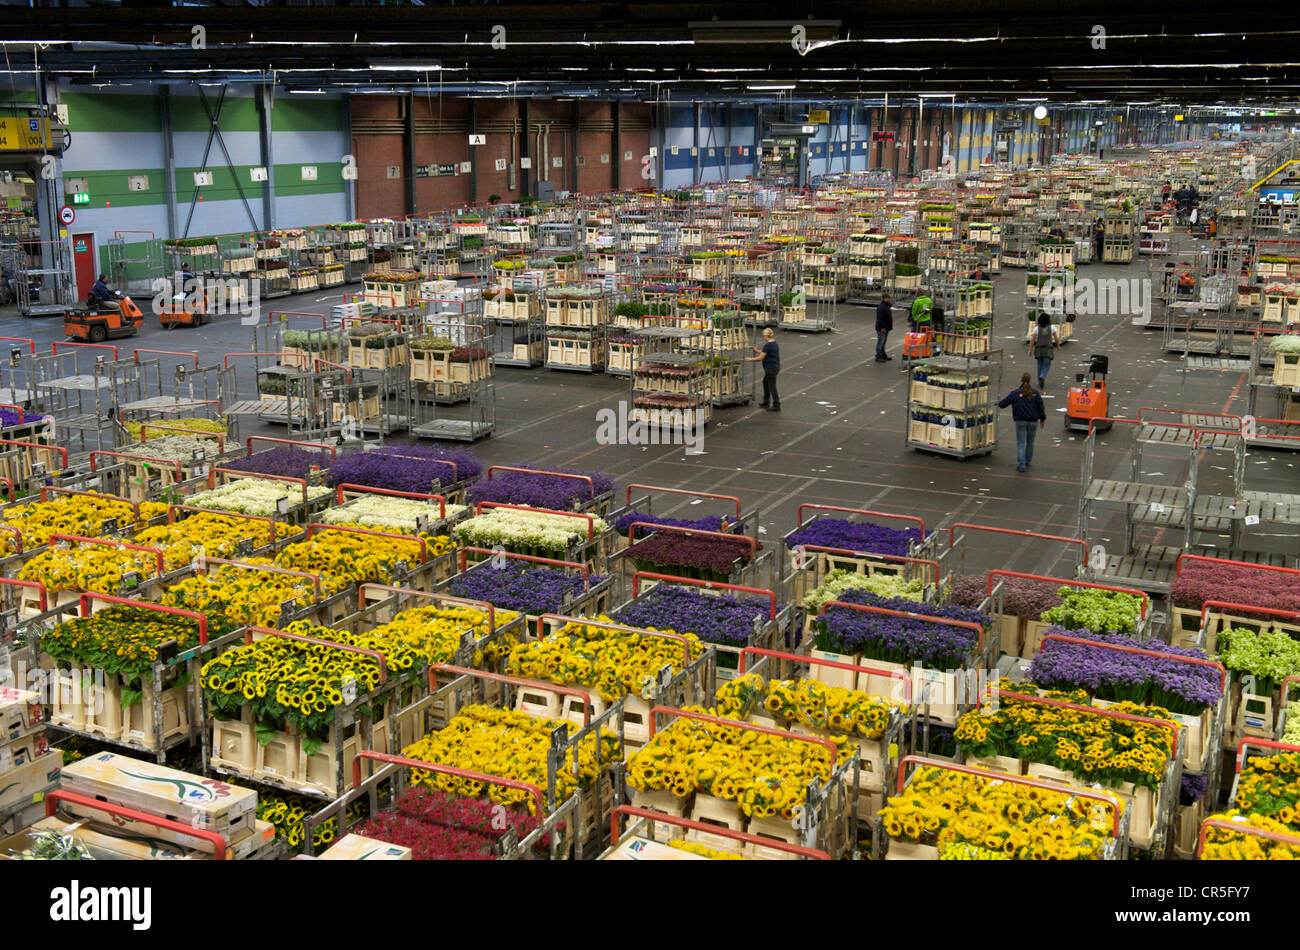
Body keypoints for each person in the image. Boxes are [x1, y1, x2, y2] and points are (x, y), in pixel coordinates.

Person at [999, 373, 1048, 473]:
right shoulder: (1035, 393)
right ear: (1030, 380)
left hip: (1020, 421)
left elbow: (1003, 404)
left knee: (1021, 443)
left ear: (1021, 380)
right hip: (1033, 421)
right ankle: (1027, 460)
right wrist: (1042, 419)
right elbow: (1041, 407)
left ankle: (1021, 465)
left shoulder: (1015, 393)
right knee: (1030, 442)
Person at [747, 327, 780, 411]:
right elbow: (765, 353)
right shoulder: (774, 344)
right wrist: (757, 350)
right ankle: (766, 401)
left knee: (772, 386)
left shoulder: (767, 345)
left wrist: (750, 359)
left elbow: (760, 358)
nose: (763, 337)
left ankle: (776, 404)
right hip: (774, 367)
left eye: (763, 336)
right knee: (765, 383)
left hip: (770, 368)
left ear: (766, 336)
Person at [1029, 312, 1060, 389]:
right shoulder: (1052, 328)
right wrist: (1058, 345)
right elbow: (1056, 338)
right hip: (1048, 349)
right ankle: (1042, 376)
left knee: (1039, 365)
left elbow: (1032, 340)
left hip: (1039, 349)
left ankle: (1039, 381)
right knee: (1046, 365)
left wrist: (1030, 349)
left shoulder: (1036, 329)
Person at [875, 294, 893, 362]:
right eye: (888, 298)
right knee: (881, 342)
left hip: (886, 327)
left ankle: (883, 355)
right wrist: (882, 327)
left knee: (883, 342)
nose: (889, 300)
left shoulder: (886, 306)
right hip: (882, 328)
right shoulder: (881, 307)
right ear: (884, 299)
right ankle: (878, 356)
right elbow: (880, 318)